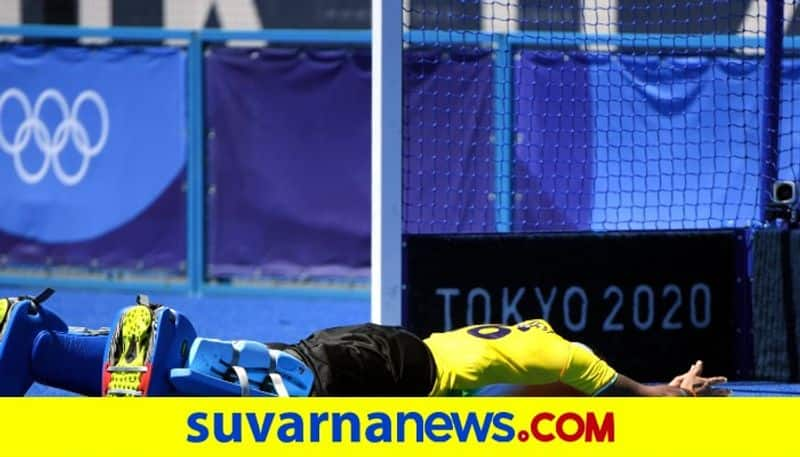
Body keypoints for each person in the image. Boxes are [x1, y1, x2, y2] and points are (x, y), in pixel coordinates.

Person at [0, 289, 730, 398]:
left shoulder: (503, 342)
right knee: (273, 382)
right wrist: (659, 391)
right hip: (399, 365)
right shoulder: (550, 351)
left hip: (378, 346)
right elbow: (591, 377)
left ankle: (44, 340)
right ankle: (175, 356)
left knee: (272, 363)